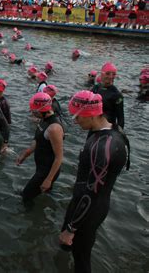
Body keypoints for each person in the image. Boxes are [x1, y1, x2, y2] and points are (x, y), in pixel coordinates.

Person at [59, 90, 129, 273]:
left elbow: (91, 194)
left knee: (81, 259)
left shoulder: (102, 147)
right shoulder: (113, 130)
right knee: (70, 247)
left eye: (77, 116)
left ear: (91, 114)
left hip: (90, 208)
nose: (74, 121)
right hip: (89, 202)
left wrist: (71, 228)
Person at [16, 92, 64, 204]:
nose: (32, 113)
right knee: (36, 193)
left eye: (34, 111)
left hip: (47, 171)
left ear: (43, 110)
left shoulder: (54, 128)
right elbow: (38, 139)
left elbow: (59, 157)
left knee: (26, 197)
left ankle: (30, 218)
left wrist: (49, 179)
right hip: (41, 167)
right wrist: (26, 154)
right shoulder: (43, 120)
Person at [91, 62, 124, 129]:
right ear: (102, 74)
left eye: (113, 74)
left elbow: (121, 119)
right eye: (108, 73)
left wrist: (119, 134)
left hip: (108, 129)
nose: (111, 76)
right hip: (94, 126)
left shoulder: (117, 95)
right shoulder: (96, 88)